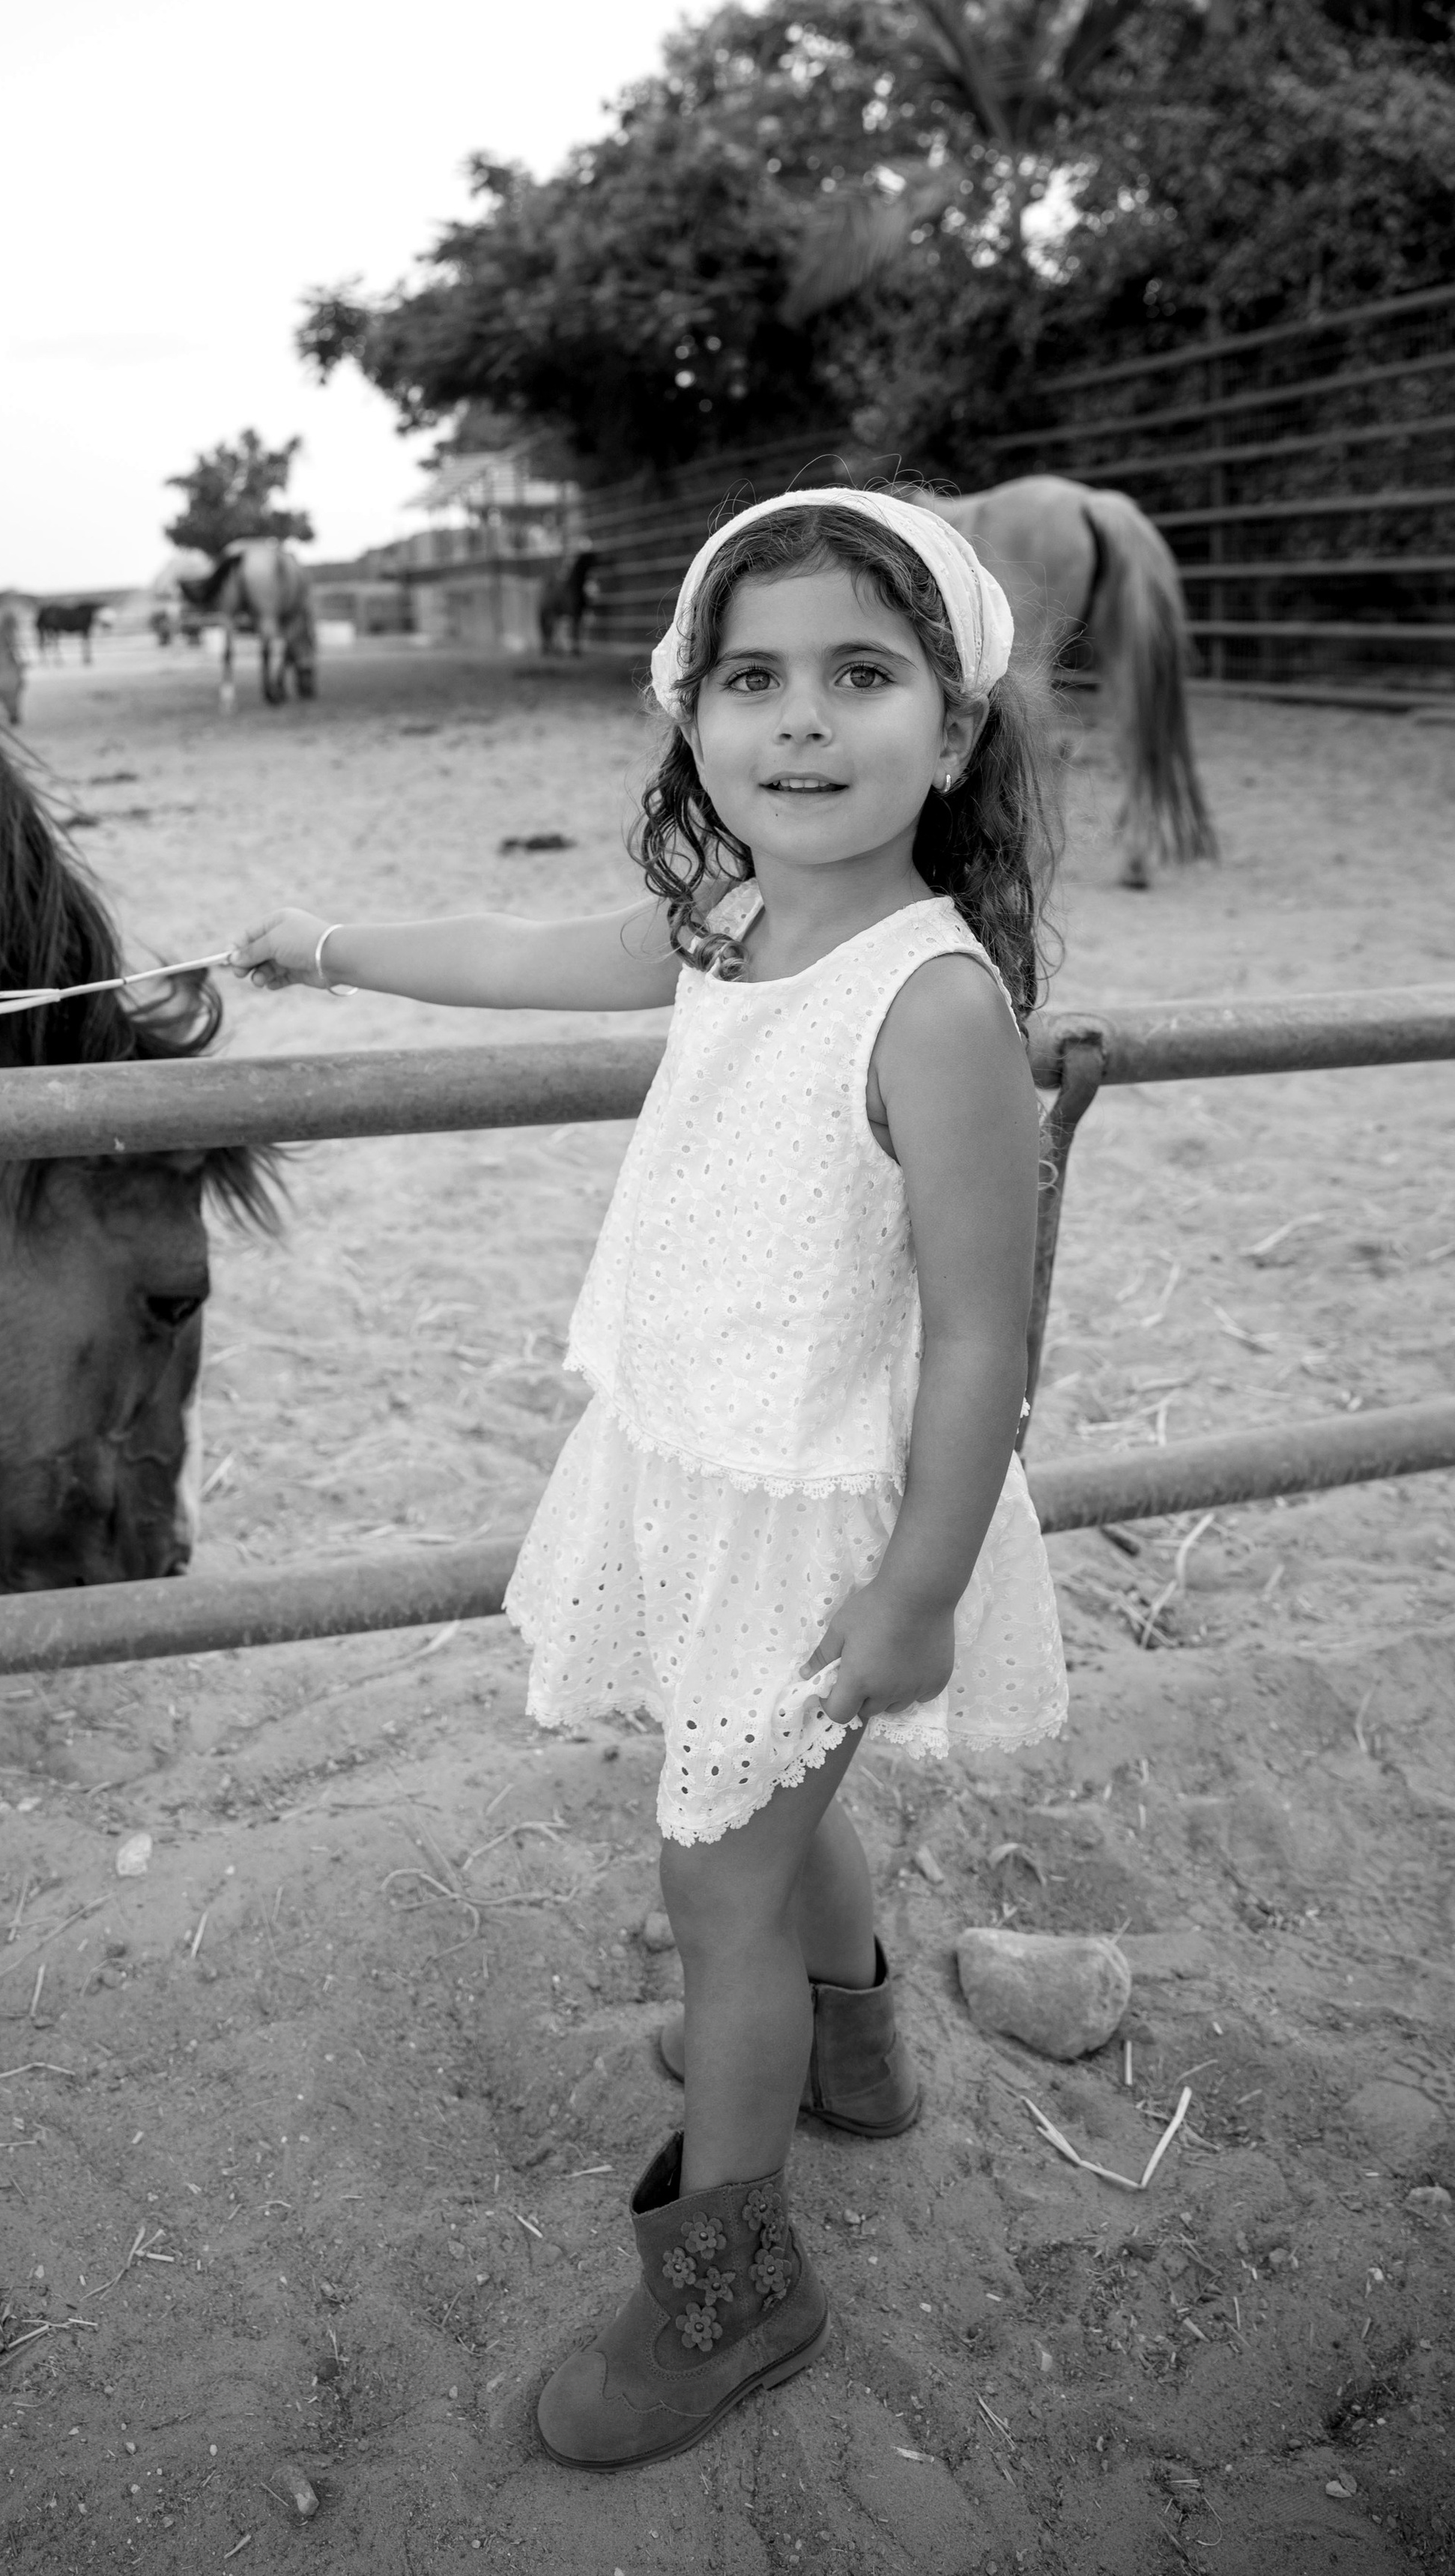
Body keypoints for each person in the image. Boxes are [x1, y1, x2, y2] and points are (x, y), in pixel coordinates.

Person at [229, 488, 1068, 2470]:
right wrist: (324, 946)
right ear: (692, 719)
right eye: (750, 678)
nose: (799, 721)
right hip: (699, 1460)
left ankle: (732, 2293)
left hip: (832, 1516)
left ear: (950, 734)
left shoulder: (933, 1004)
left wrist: (921, 1588)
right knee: (759, 1806)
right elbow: (528, 949)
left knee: (717, 1898)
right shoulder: (731, 920)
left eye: (859, 678)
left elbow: (981, 1337)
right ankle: (854, 2048)